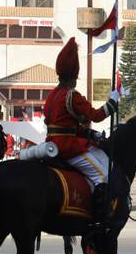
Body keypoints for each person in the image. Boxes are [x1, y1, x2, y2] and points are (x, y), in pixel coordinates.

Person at [43, 37, 119, 227]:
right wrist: (113, 102)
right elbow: (96, 116)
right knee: (103, 174)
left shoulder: (52, 95)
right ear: (74, 76)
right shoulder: (72, 95)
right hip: (69, 147)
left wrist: (90, 135)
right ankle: (99, 219)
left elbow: (63, 123)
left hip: (51, 143)